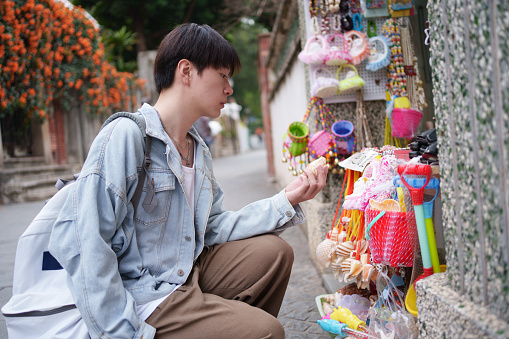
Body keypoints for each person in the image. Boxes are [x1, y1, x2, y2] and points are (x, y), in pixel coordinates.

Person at [49, 23, 328, 339]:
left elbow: (215, 227)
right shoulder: (126, 136)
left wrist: (285, 200)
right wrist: (122, 331)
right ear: (186, 71)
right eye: (222, 75)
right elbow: (84, 243)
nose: (229, 88)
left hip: (186, 272)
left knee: (275, 254)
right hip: (146, 295)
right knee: (267, 331)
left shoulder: (197, 149)